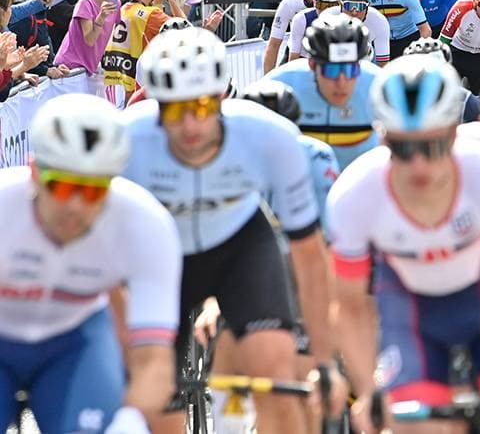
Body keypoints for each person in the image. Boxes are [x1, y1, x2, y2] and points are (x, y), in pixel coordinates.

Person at [122, 28, 339, 434]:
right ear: (154, 105)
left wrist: (324, 363)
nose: (189, 125)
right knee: (153, 394)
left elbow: (310, 256)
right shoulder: (126, 141)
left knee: (276, 370)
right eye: (173, 111)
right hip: (159, 257)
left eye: (202, 106)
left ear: (223, 98)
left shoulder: (270, 136)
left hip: (240, 243)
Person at [328, 57, 480, 432]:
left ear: (453, 133)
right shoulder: (354, 194)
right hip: (410, 316)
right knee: (416, 425)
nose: (419, 168)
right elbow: (349, 306)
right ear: (382, 138)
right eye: (403, 149)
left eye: (431, 147)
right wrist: (367, 390)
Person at [0, 94, 182, 434]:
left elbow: (154, 362)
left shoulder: (145, 223)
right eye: (64, 187)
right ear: (35, 172)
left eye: (94, 191)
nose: (77, 206)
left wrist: (130, 421)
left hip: (75, 341)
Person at [264, 14, 383, 170]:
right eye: (331, 70)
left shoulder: (378, 86)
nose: (341, 82)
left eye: (350, 70)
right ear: (312, 65)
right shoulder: (281, 84)